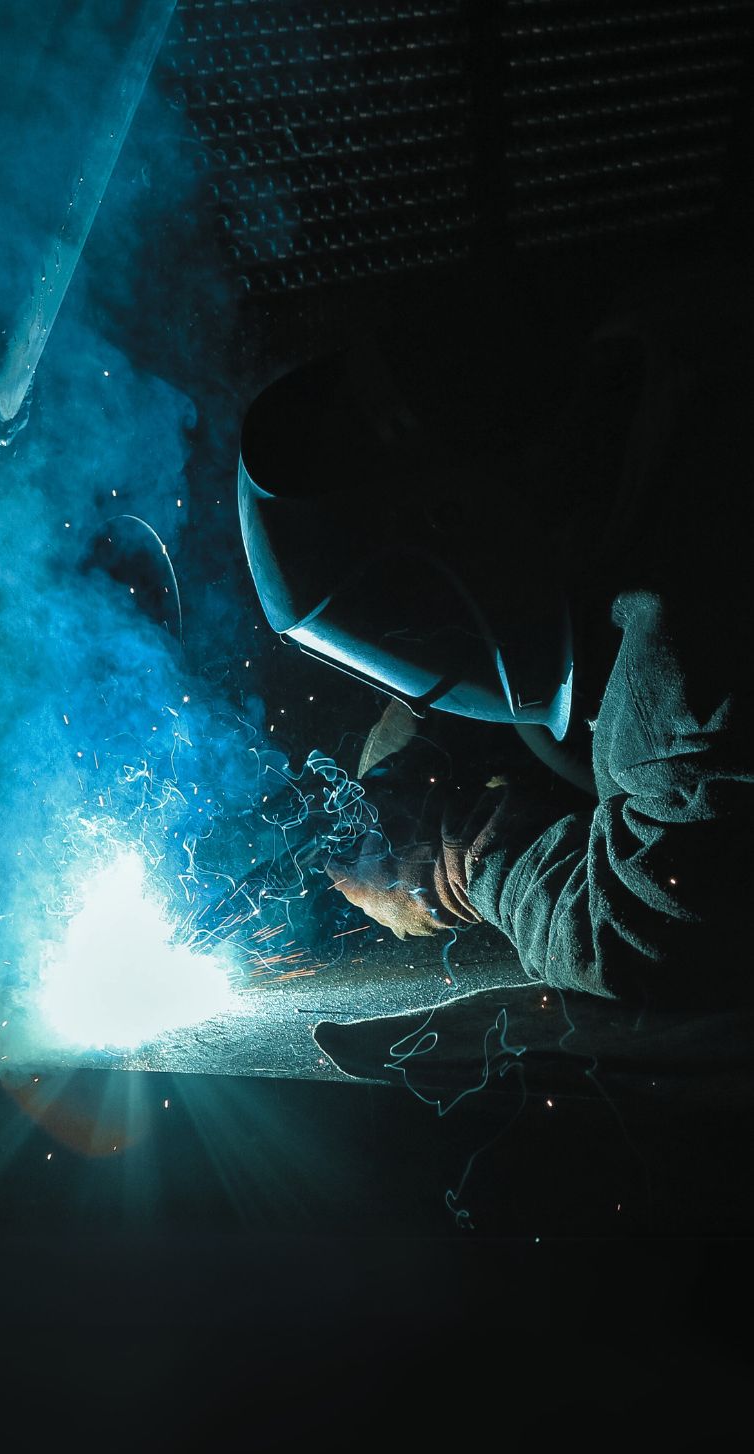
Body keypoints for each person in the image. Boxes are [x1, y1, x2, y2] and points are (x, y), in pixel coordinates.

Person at [238, 256, 754, 1070]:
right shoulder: (647, 382)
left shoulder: (686, 631)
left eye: (417, 635)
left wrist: (468, 862)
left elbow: (655, 934)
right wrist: (449, 738)